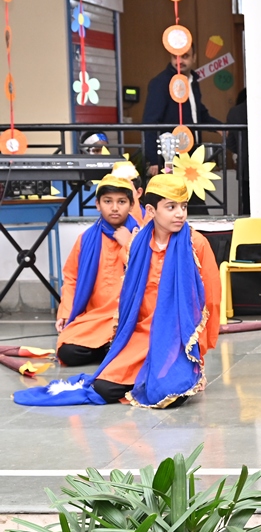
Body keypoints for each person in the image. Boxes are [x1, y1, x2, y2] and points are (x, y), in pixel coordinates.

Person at [14, 173, 221, 408]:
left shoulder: (196, 244)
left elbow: (211, 300)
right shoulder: (139, 242)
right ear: (151, 211)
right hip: (139, 333)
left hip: (175, 337)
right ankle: (139, 370)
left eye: (183, 206)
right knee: (102, 388)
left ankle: (167, 373)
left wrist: (198, 352)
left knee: (167, 395)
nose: (180, 214)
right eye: (171, 207)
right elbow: (82, 281)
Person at [54, 162, 139, 367]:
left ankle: (113, 349)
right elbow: (72, 278)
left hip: (129, 316)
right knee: (67, 352)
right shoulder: (86, 239)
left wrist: (129, 244)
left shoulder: (141, 236)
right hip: (94, 317)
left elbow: (151, 275)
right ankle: (111, 350)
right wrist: (65, 312)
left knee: (136, 338)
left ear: (131, 205)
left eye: (121, 201)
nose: (115, 208)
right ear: (98, 204)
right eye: (108, 201)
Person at [142, 42, 221, 215]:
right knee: (176, 203)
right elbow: (150, 122)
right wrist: (154, 159)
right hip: (170, 155)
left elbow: (198, 112)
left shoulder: (193, 81)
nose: (180, 61)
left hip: (191, 155)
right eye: (175, 56)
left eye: (185, 56)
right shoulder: (161, 83)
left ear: (194, 57)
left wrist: (219, 128)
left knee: (191, 202)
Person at [225, 88, 249, 214]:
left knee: (246, 205)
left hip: (244, 166)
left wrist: (241, 151)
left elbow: (230, 142)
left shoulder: (235, 112)